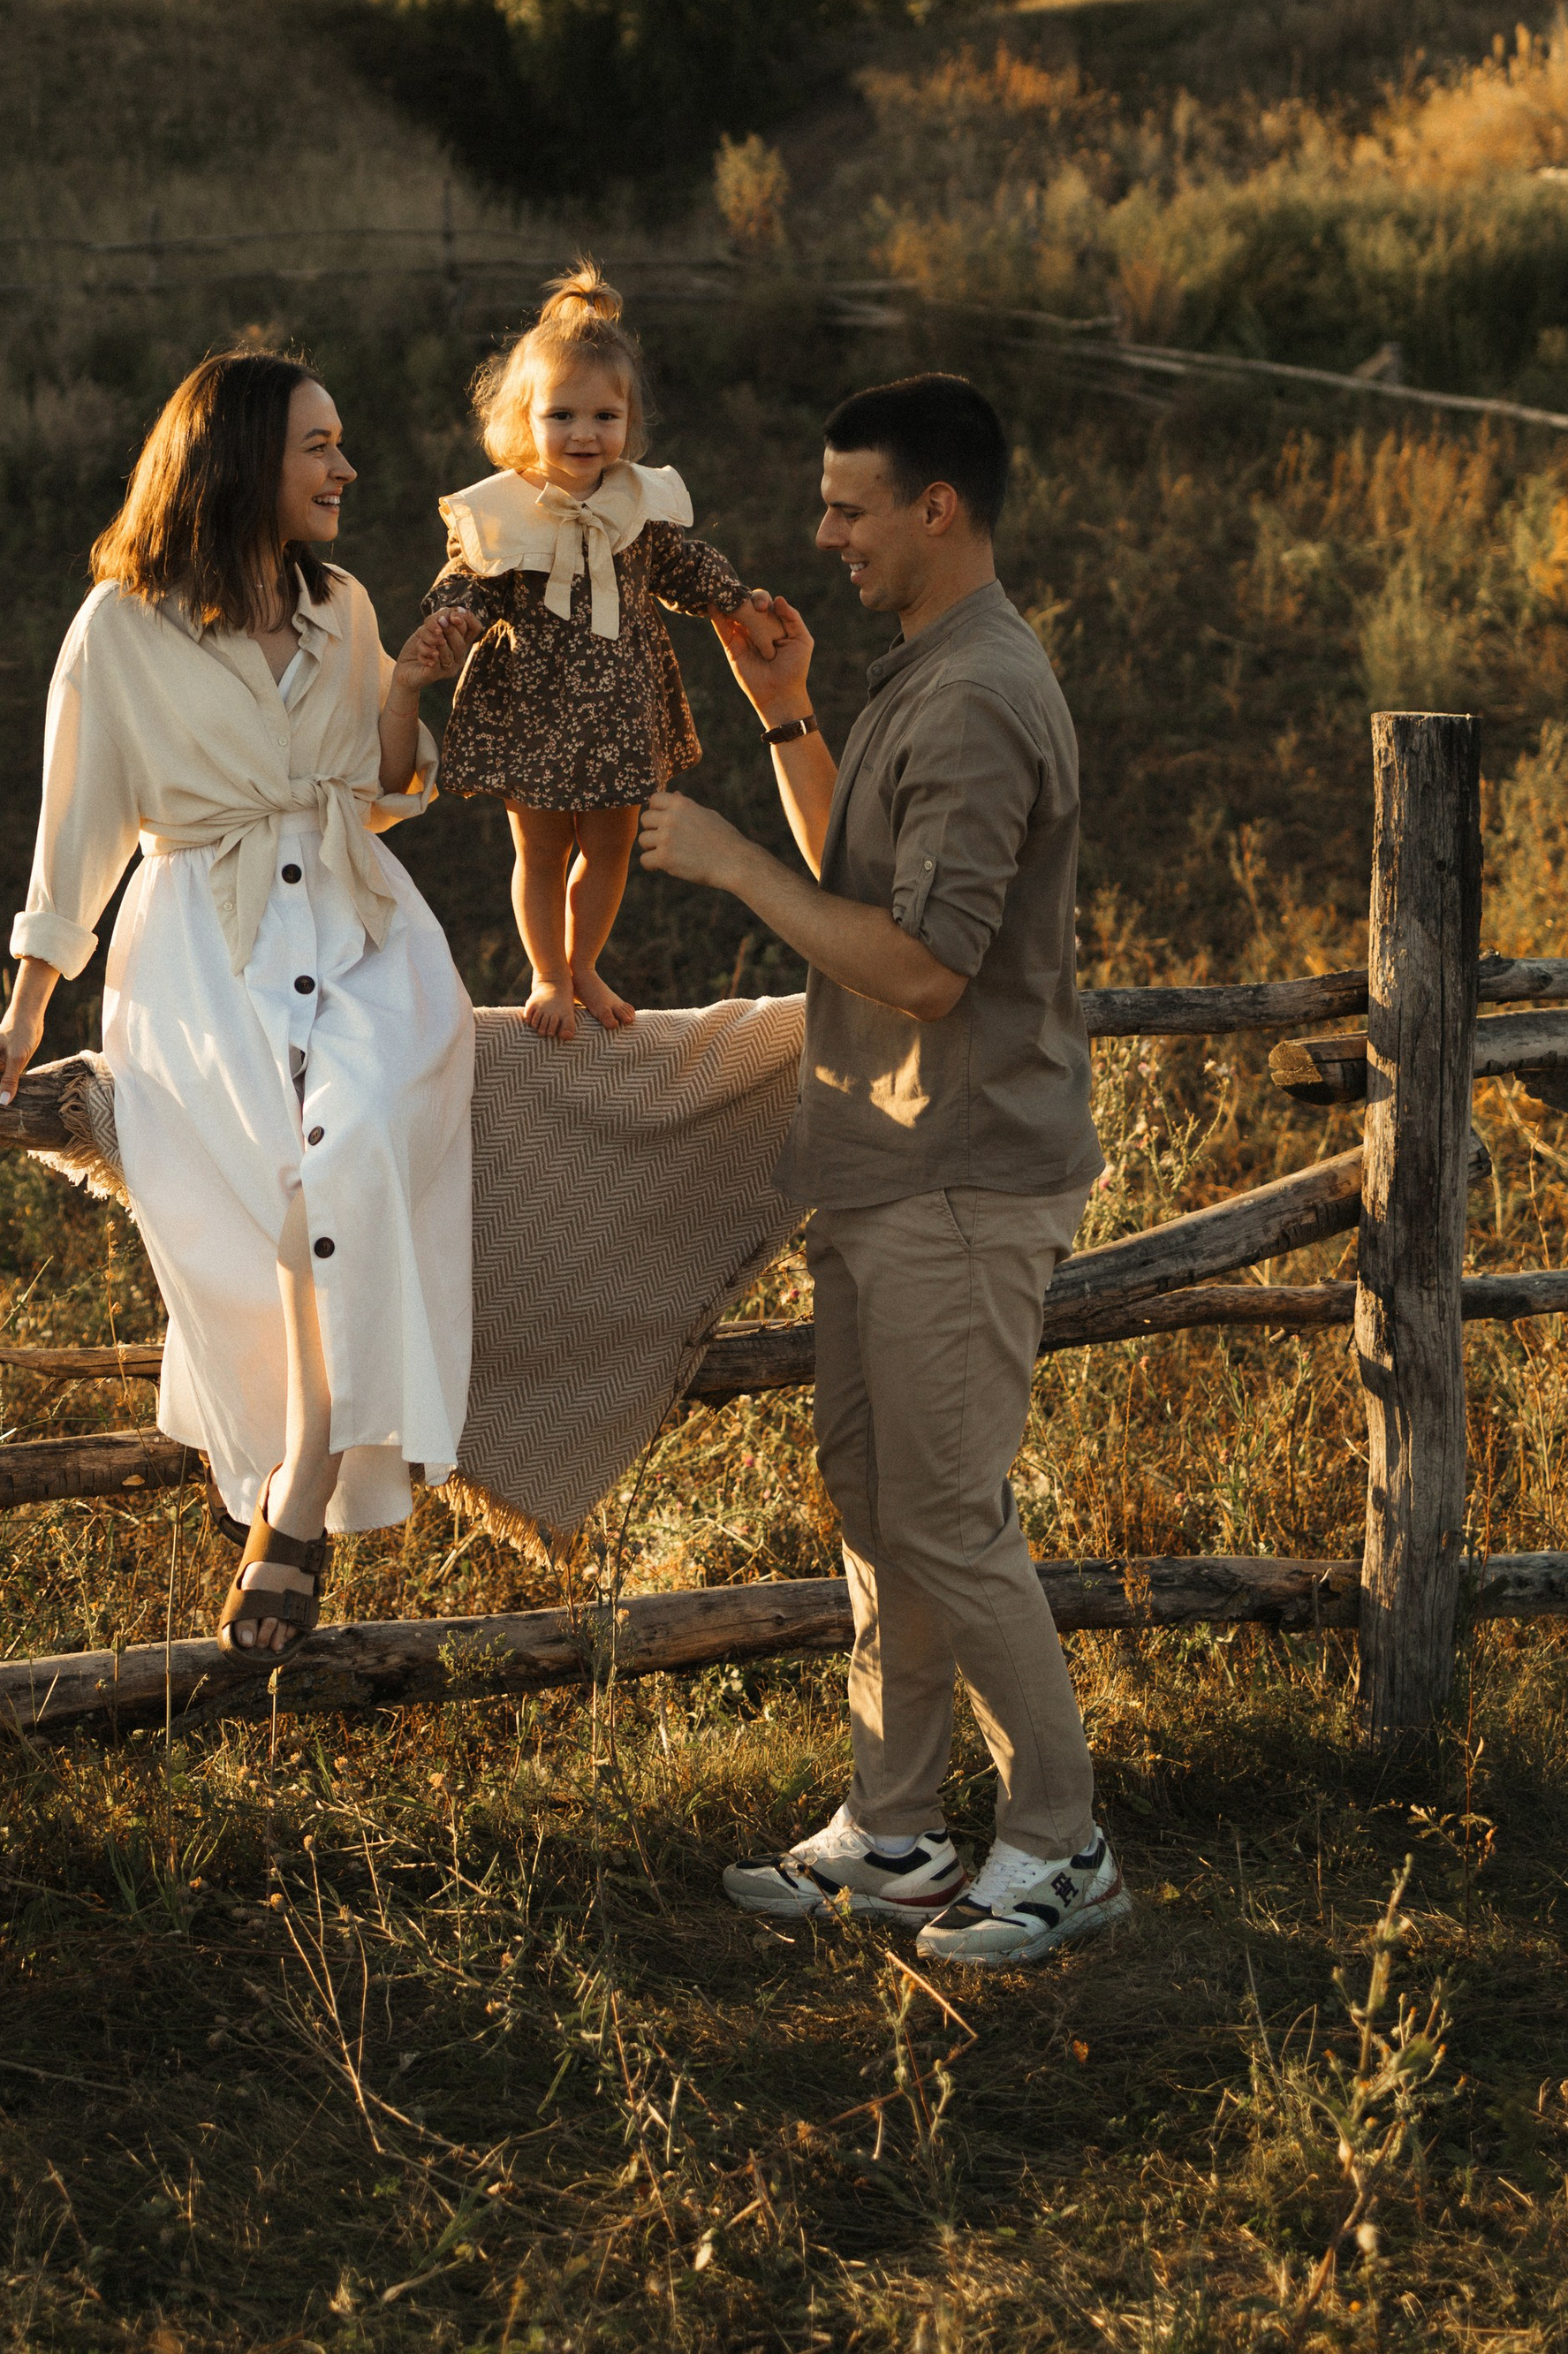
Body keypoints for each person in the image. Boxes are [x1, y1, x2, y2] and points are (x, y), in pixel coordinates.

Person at [638, 372, 1129, 1971]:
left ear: (940, 509)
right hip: (885, 1157)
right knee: (877, 1501)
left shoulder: (986, 694)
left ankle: (1061, 1842)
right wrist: (785, 712)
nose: (824, 531)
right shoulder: (933, 674)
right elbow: (878, 861)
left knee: (944, 1513)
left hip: (962, 1171)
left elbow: (924, 969)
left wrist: (732, 865)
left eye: (850, 504)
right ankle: (899, 1828)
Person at [0, 349, 483, 1663]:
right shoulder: (117, 626)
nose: (346, 468)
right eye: (319, 445)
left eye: (342, 442)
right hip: (204, 947)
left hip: (361, 932)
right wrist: (28, 1007)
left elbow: (381, 790)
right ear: (241, 456)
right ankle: (294, 1477)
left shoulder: (345, 605)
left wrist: (410, 688)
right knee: (276, 1186)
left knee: (349, 1146)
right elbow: (71, 829)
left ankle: (296, 1494)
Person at [421, 263, 780, 1038]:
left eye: (604, 416)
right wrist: (452, 620)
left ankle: (586, 960)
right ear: (525, 421)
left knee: (613, 848)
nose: (585, 434)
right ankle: (550, 973)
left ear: (629, 421)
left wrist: (735, 599)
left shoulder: (639, 504)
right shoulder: (505, 513)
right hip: (537, 710)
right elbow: (472, 586)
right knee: (543, 849)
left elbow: (684, 566)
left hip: (621, 708)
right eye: (562, 416)